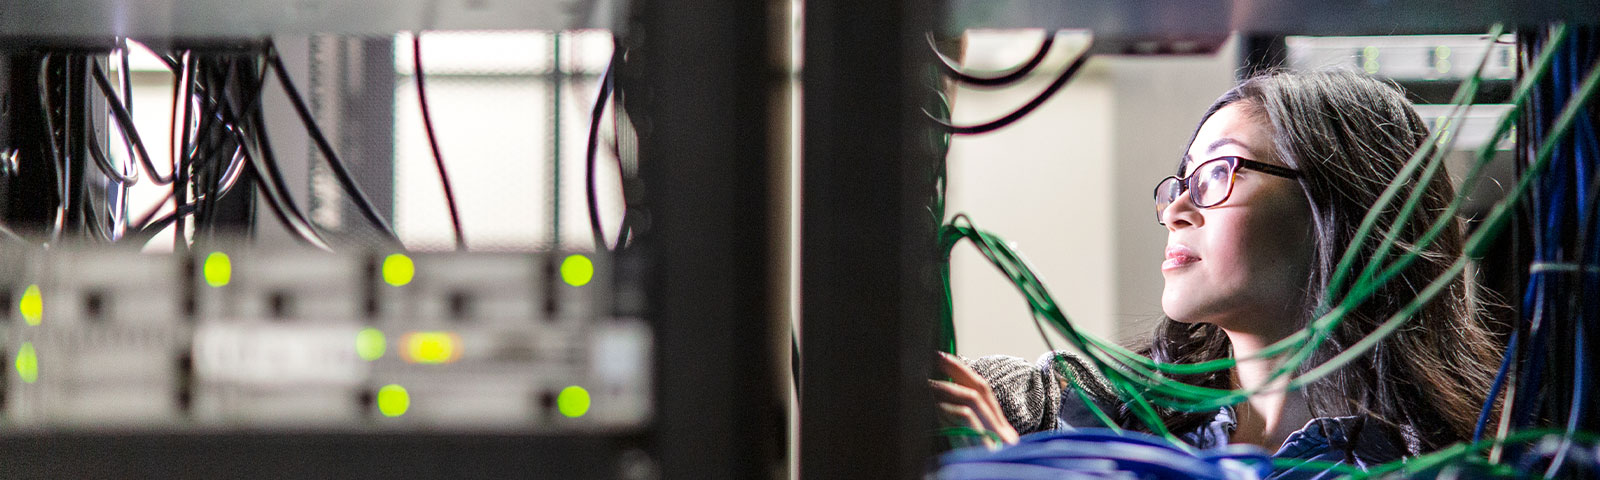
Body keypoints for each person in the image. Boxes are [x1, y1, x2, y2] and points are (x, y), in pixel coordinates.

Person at [931, 70, 1503, 472]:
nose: (1176, 210)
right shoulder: (1073, 403)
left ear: (1344, 206)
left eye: (1217, 174)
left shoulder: (1454, 463)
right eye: (1181, 182)